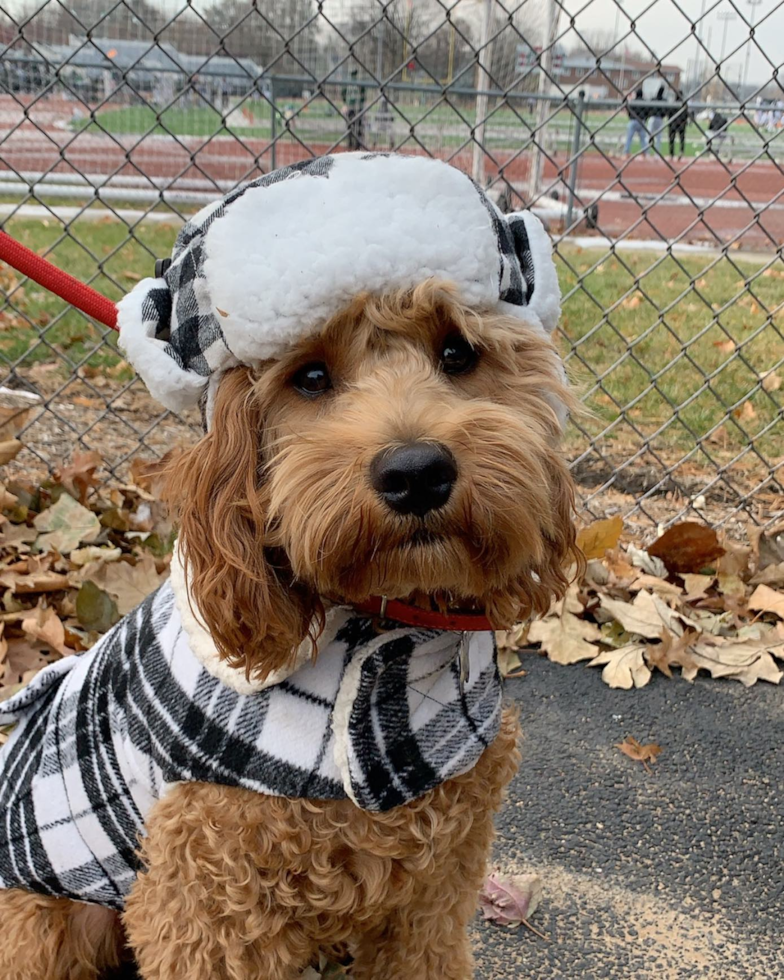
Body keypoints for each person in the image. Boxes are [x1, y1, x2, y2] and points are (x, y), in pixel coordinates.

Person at [341, 68, 365, 150]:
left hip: (349, 107)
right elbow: (363, 95)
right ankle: (357, 145)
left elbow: (343, 93)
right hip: (358, 108)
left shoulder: (347, 83)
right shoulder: (359, 83)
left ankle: (350, 143)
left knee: (349, 126)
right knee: (358, 126)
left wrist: (345, 103)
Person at [624, 88, 649, 157]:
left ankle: (626, 152)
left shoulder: (633, 101)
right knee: (643, 138)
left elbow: (629, 111)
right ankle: (645, 152)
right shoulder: (644, 102)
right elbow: (647, 112)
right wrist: (645, 119)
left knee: (629, 138)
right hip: (641, 121)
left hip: (633, 120)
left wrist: (630, 117)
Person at [668, 87, 689, 160]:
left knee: (672, 139)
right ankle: (681, 151)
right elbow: (686, 114)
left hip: (674, 123)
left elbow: (669, 114)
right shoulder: (683, 104)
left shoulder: (674, 103)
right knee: (681, 139)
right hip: (681, 123)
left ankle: (672, 153)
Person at [648, 83, 667, 156]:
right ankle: (657, 154)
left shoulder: (654, 99)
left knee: (649, 136)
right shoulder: (663, 100)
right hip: (659, 119)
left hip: (653, 118)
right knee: (658, 137)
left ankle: (648, 152)